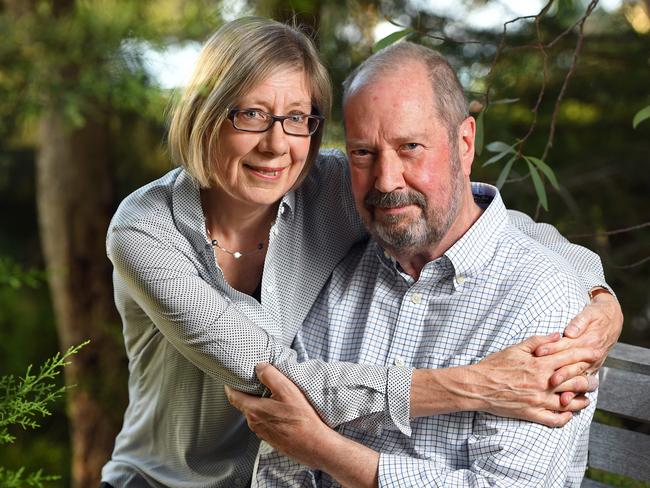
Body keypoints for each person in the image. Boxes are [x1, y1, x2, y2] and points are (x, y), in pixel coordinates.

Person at [102, 17, 621, 488]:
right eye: (252, 114)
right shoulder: (145, 230)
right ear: (207, 113)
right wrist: (475, 386)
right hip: (164, 479)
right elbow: (272, 376)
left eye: (298, 117)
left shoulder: (329, 186)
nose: (276, 144)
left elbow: (484, 217)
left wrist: (597, 296)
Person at [227, 42, 604, 487]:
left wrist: (325, 450)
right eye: (362, 153)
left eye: (410, 147)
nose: (385, 181)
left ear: (464, 143)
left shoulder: (541, 302)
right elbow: (282, 456)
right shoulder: (334, 272)